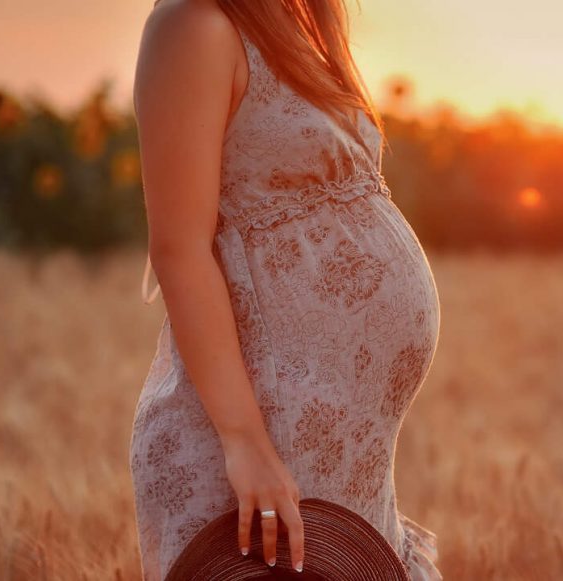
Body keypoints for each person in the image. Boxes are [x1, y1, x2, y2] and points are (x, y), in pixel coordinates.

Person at [128, 0, 443, 579]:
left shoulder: (289, 25)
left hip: (341, 460)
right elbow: (179, 249)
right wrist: (246, 442)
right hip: (262, 440)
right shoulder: (194, 25)